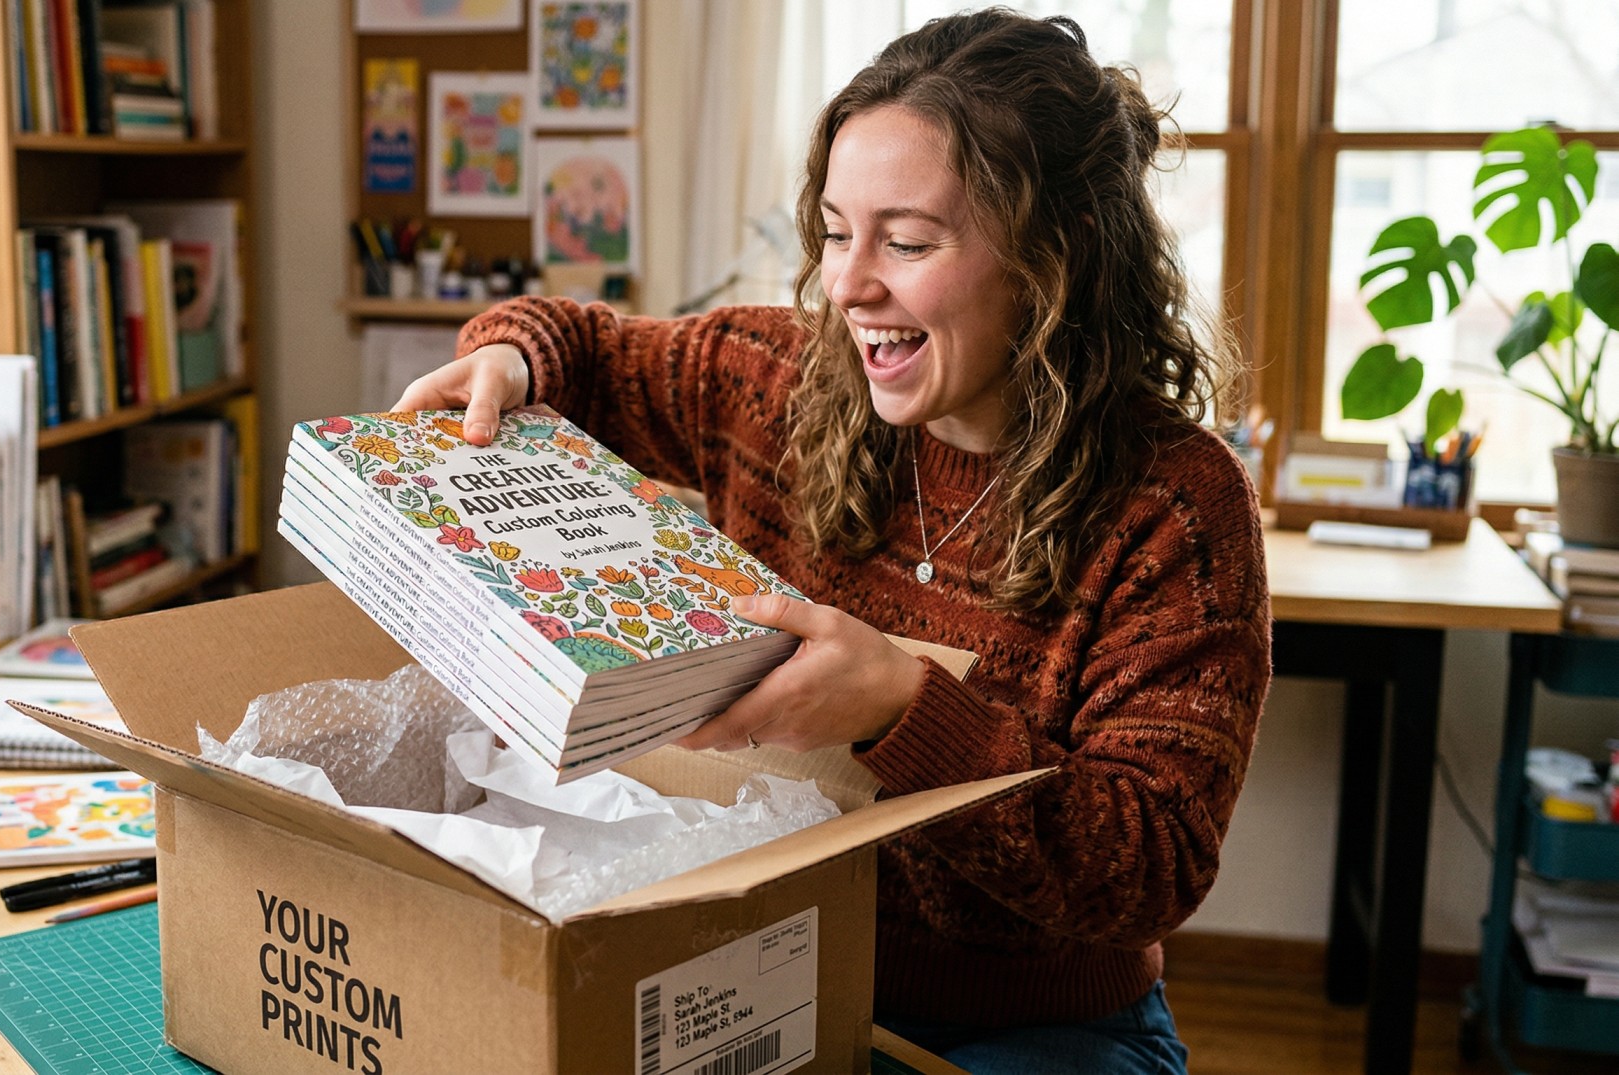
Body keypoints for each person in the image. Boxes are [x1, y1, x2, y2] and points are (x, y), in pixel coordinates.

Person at [394, 9, 1269, 1073]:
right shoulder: (778, 378)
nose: (850, 285)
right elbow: (587, 349)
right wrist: (513, 363)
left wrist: (905, 713)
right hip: (762, 972)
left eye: (905, 242)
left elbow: (1150, 864)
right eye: (837, 230)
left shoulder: (1176, 504)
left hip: (1040, 1029)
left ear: (1058, 252)